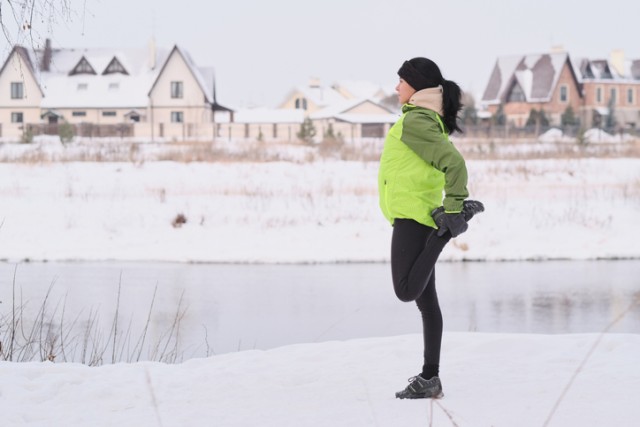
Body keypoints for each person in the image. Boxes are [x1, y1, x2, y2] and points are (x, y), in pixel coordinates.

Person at [377, 57, 484, 399]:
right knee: (427, 304)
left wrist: (453, 210)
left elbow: (454, 163)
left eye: (401, 82)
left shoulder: (417, 121)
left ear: (417, 86)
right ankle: (429, 378)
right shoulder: (424, 119)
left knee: (406, 291)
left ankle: (448, 231)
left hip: (414, 217)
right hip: (420, 213)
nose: (396, 87)